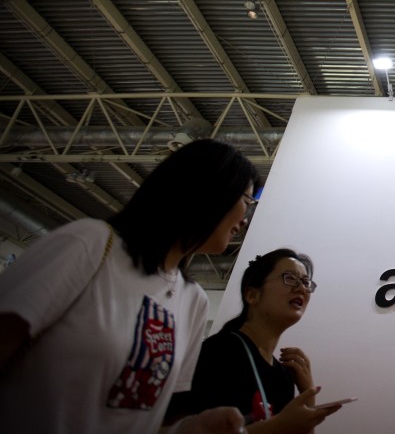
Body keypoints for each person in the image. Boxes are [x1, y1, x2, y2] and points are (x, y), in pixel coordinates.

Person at [0, 138, 259, 434]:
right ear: (210, 190)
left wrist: (194, 427)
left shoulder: (193, 301)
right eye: (247, 201)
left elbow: (149, 421)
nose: (245, 218)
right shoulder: (91, 244)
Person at [171, 248, 343, 433]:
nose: (301, 288)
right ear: (252, 295)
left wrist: (308, 396)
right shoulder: (220, 351)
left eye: (305, 282)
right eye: (290, 278)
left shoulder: (285, 375)